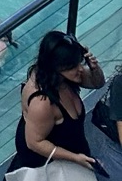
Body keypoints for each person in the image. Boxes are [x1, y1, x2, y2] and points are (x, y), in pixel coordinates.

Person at [10, 29, 103, 169]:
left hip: (70, 146)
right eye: (73, 66)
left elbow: (98, 83)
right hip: (44, 162)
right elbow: (34, 142)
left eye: (80, 62)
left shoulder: (65, 76)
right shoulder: (41, 102)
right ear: (56, 67)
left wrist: (94, 67)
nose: (80, 69)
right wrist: (75, 158)